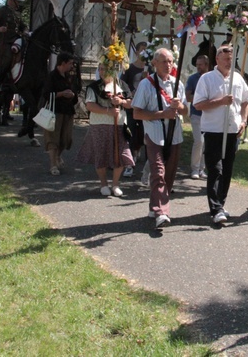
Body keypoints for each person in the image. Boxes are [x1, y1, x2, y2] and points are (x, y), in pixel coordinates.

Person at [192, 44, 248, 225]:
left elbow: (246, 101)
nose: (228, 62)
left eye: (231, 59)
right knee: (215, 169)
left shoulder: (238, 79)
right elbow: (198, 104)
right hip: (213, 131)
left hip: (232, 130)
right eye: (226, 59)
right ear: (217, 59)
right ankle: (215, 209)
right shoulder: (207, 79)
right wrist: (220, 101)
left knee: (227, 170)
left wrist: (243, 120)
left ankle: (221, 203)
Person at [131, 48, 188, 229]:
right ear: (155, 63)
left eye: (170, 61)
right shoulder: (146, 84)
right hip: (154, 134)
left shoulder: (177, 83)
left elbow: (186, 110)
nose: (168, 65)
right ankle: (162, 212)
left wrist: (180, 107)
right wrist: (162, 113)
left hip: (174, 134)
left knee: (170, 174)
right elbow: (137, 114)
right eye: (164, 61)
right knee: (158, 172)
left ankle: (154, 205)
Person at [77, 63, 134, 197]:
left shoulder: (122, 85)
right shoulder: (94, 87)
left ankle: (115, 184)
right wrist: (108, 111)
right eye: (100, 69)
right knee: (101, 154)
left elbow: (131, 103)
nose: (102, 71)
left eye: (105, 68)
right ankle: (103, 184)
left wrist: (121, 102)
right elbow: (90, 105)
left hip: (119, 125)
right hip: (99, 125)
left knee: (121, 154)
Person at [0, 0, 26, 125]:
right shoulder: (1, 10)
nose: (18, 4)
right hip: (3, 42)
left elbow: (21, 27)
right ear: (11, 0)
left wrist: (26, 30)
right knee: (8, 56)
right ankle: (2, 78)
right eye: (17, 1)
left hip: (15, 41)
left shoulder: (17, 13)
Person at [41, 52, 79, 177]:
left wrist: (72, 95)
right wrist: (61, 94)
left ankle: (58, 156)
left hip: (68, 111)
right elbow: (46, 94)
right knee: (53, 139)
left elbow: (74, 92)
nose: (72, 66)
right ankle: (53, 164)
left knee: (66, 139)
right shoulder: (52, 76)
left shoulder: (69, 76)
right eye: (70, 63)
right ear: (62, 63)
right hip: (54, 111)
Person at [120, 41, 148, 178]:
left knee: (145, 136)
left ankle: (147, 168)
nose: (144, 53)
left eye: (146, 50)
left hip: (146, 109)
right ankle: (129, 165)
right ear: (136, 52)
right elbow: (122, 84)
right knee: (129, 134)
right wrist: (129, 94)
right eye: (142, 50)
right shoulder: (129, 69)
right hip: (131, 107)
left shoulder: (150, 70)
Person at [185, 54, 209, 180]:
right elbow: (188, 97)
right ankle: (194, 168)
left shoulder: (211, 78)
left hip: (209, 115)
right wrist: (203, 99)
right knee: (199, 141)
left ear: (206, 65)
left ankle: (202, 169)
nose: (198, 67)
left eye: (200, 65)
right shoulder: (192, 79)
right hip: (196, 114)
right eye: (197, 65)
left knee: (206, 143)